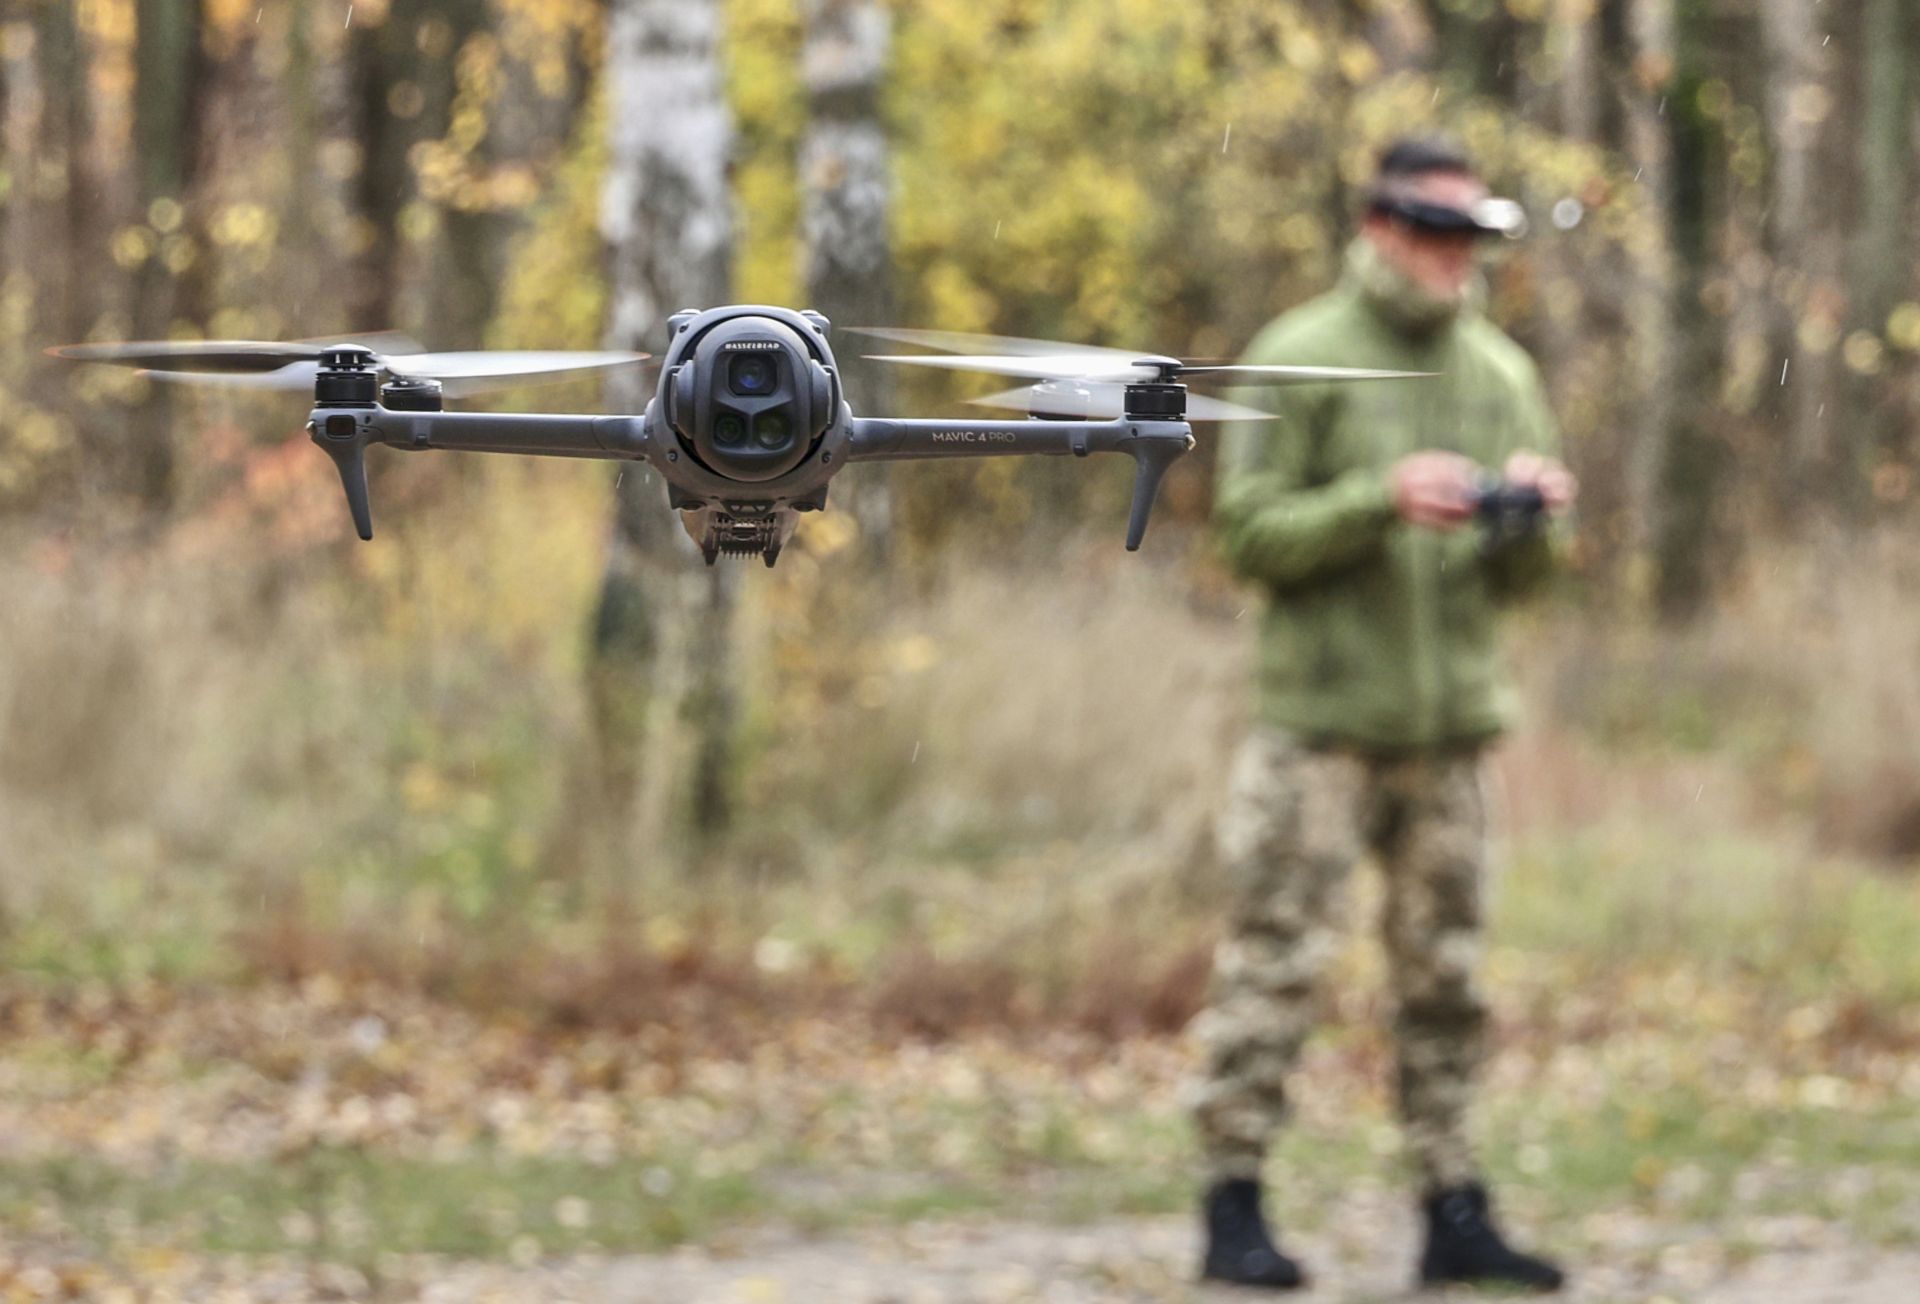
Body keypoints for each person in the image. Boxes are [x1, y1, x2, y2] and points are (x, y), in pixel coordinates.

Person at [1190, 138, 1577, 1293]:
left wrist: (1528, 520)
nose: (1456, 258)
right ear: (1380, 227)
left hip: (1450, 734)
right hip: (1317, 732)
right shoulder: (1297, 358)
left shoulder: (1502, 371)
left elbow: (1530, 587)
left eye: (1471, 237)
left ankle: (1453, 1206)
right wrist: (1379, 500)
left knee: (1449, 982)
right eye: (1436, 231)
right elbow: (1249, 537)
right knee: (1273, 969)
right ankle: (1232, 1203)